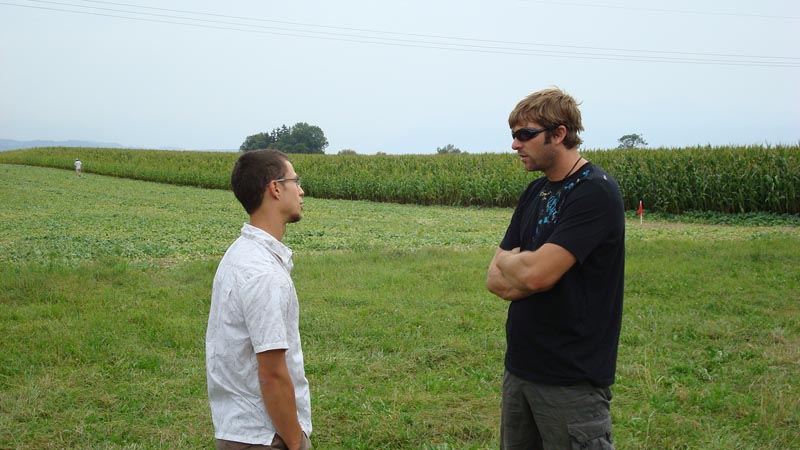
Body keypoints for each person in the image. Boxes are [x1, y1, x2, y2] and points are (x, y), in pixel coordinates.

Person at [486, 87, 625, 450]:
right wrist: (526, 268)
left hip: (570, 379)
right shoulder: (535, 193)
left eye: (525, 134)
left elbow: (536, 275)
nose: (515, 144)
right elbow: (495, 278)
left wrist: (520, 266)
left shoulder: (594, 192)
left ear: (559, 133)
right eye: (513, 135)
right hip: (520, 369)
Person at [206, 149, 312, 450]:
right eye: (295, 181)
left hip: (239, 430)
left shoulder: (239, 253)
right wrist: (296, 442)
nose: (301, 191)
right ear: (275, 188)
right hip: (265, 437)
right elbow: (272, 375)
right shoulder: (262, 272)